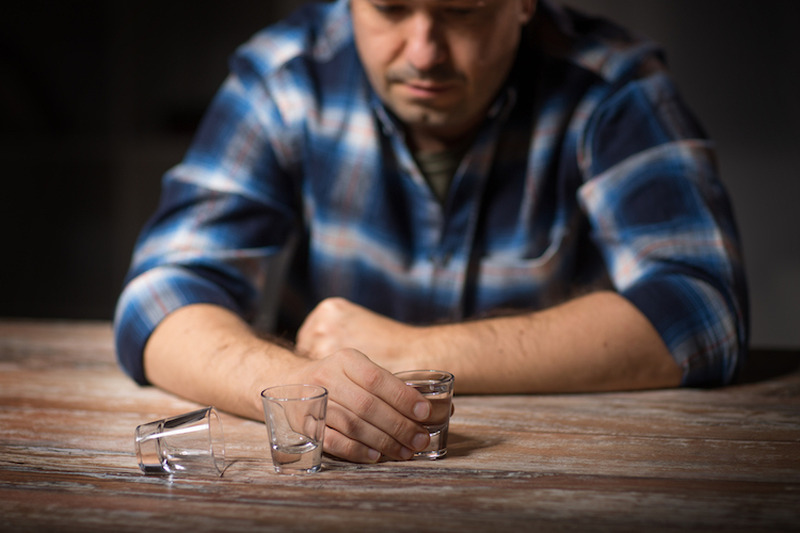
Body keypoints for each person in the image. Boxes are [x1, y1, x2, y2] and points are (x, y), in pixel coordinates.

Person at [114, 0, 748, 464]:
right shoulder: (285, 74)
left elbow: (702, 309)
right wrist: (296, 391)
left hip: (559, 474)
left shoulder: (613, 87)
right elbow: (162, 295)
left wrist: (413, 349)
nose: (423, 52)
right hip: (333, 482)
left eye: (462, 11)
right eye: (389, 9)